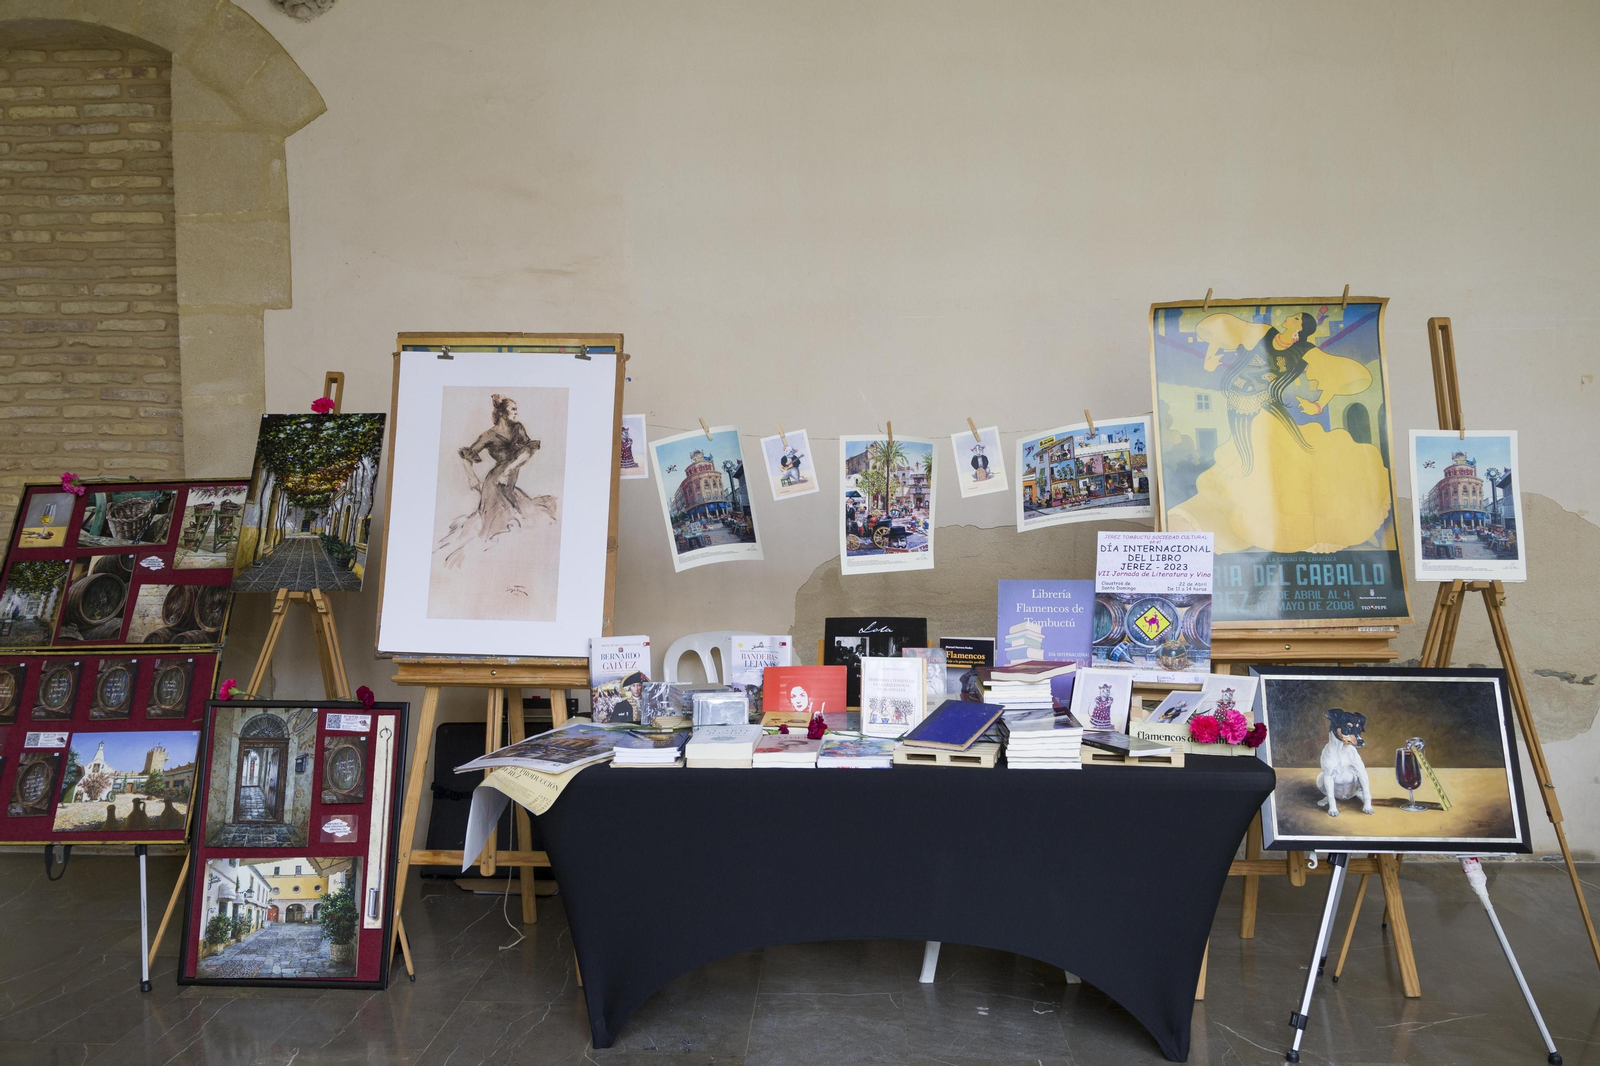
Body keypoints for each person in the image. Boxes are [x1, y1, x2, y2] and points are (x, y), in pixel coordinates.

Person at [1168, 311, 1391, 554]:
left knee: (1276, 457)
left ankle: (1294, 520)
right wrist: (1210, 359)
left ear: (1300, 328)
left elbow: (1332, 374)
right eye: (1292, 315)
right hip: (1238, 408)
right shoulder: (1265, 333)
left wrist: (1317, 405)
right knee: (1244, 460)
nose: (1289, 318)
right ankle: (1228, 517)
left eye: (1295, 318)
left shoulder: (1304, 350)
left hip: (1264, 410)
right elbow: (1223, 330)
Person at [436, 393, 554, 568]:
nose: (516, 412)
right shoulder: (488, 436)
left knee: (515, 514)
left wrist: (507, 470)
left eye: (516, 409)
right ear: (503, 413)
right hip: (493, 482)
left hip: (507, 476)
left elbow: (527, 452)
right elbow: (466, 456)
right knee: (497, 521)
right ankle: (487, 561)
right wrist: (472, 478)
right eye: (513, 409)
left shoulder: (518, 429)